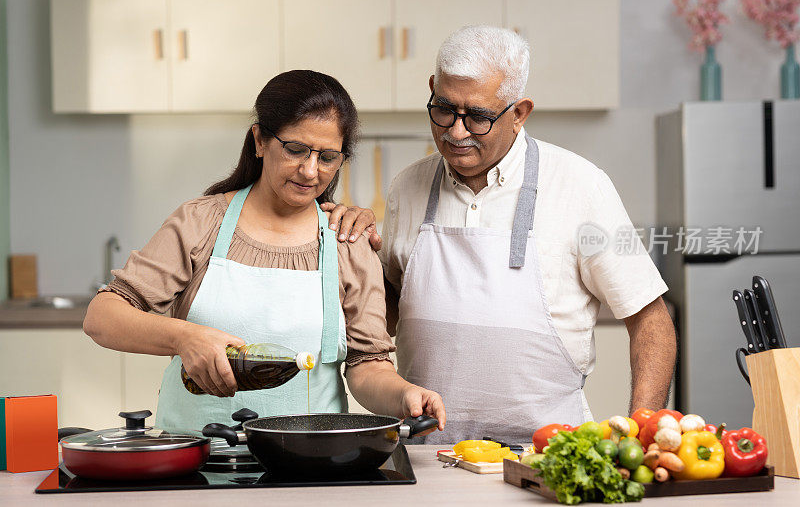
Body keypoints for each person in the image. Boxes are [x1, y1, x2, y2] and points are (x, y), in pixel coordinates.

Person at [83, 70, 445, 433]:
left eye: (328, 157)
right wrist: (184, 337)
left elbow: (368, 367)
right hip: (196, 459)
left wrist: (404, 395)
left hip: (307, 461)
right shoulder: (200, 223)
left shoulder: (346, 242)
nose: (310, 171)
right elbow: (102, 317)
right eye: (295, 150)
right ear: (259, 140)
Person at [377, 26, 676, 443]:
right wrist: (350, 257)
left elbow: (652, 321)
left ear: (519, 113)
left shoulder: (580, 185)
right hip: (427, 455)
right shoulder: (404, 187)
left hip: (550, 458)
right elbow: (387, 309)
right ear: (432, 90)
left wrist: (643, 433)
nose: (456, 132)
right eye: (444, 109)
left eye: (478, 117)